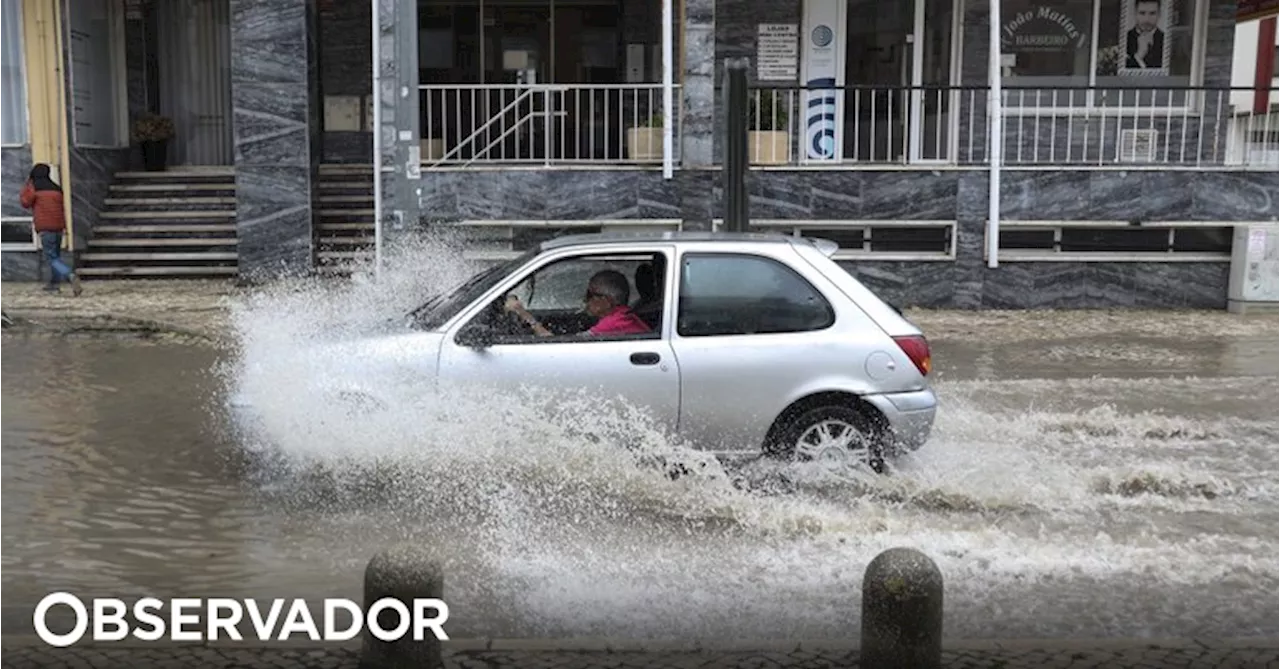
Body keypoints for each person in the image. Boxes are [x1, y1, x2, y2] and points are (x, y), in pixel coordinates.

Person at [505, 269, 651, 337]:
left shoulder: (614, 323)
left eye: (590, 295)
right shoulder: (623, 314)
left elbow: (557, 347)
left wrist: (523, 313)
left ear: (606, 301)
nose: (584, 299)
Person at [20, 163, 82, 296]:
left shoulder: (35, 188)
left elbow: (25, 202)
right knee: (56, 256)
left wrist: (27, 185)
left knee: (51, 258)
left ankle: (70, 275)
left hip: (45, 227)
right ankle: (54, 284)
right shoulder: (57, 189)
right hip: (58, 226)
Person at [1125, 0, 1164, 70]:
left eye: (1152, 13)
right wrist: (1138, 56)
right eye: (1142, 13)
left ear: (1159, 14)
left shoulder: (1167, 41)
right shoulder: (1124, 39)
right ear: (1135, 13)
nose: (1147, 19)